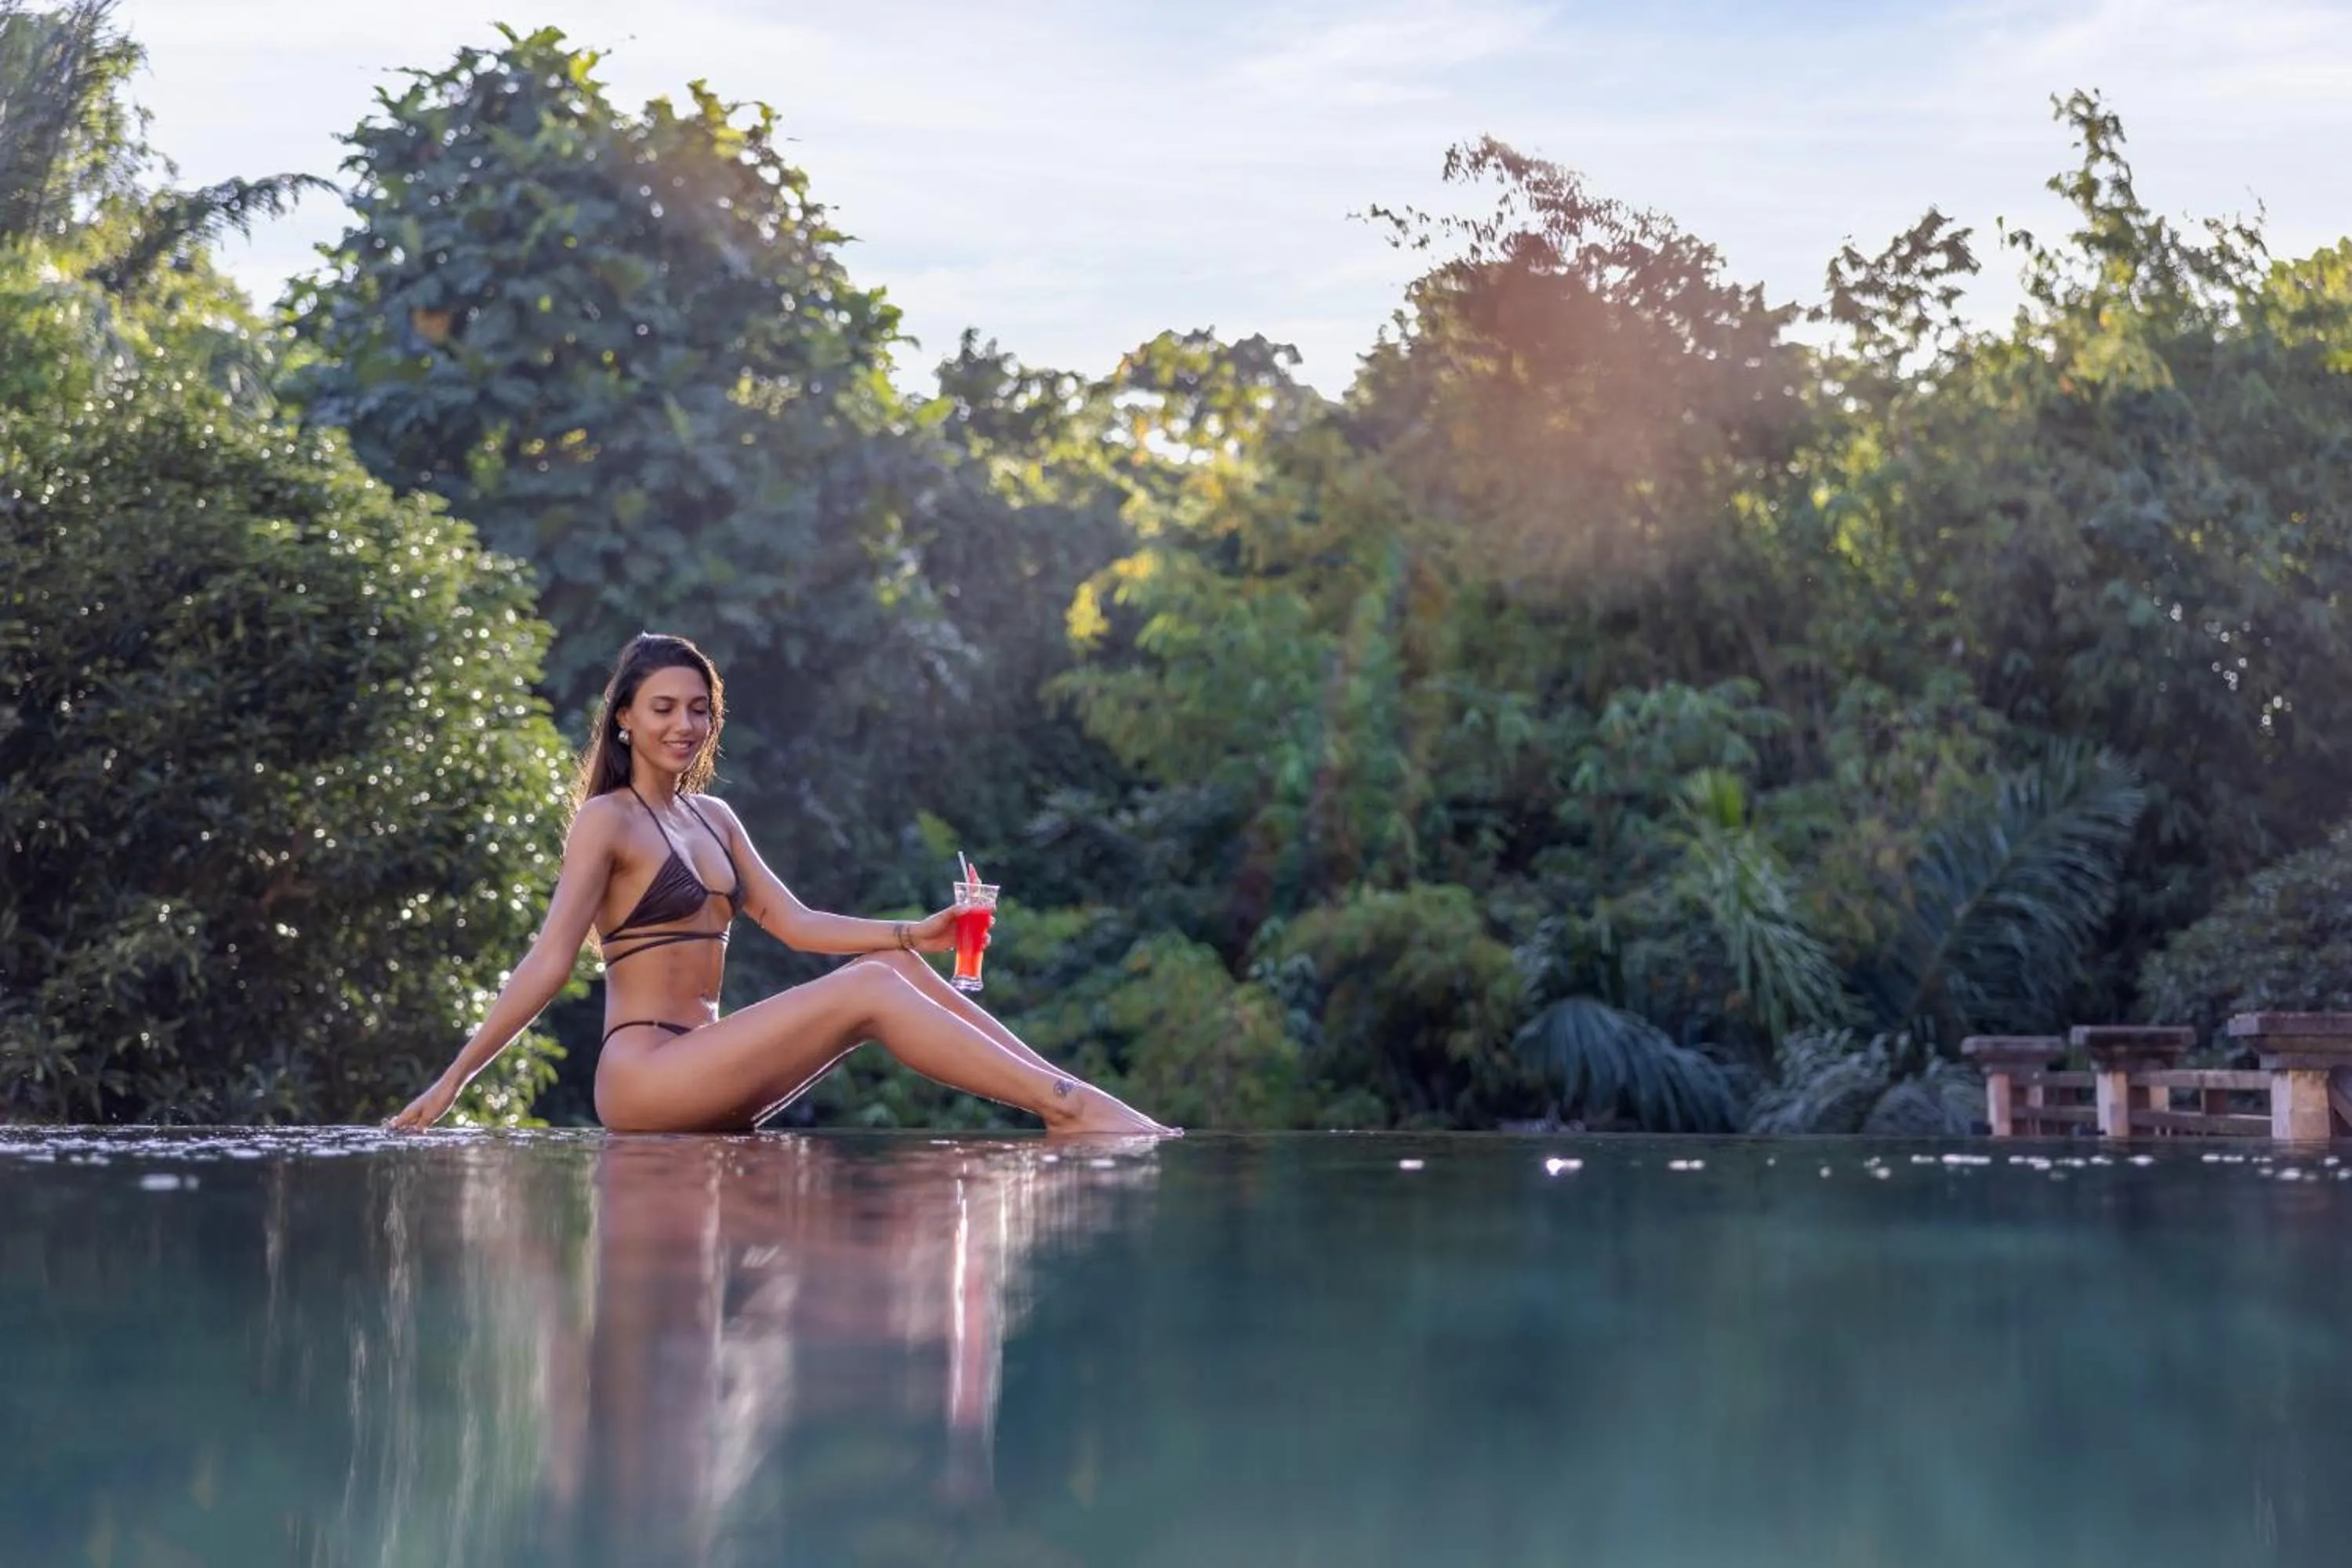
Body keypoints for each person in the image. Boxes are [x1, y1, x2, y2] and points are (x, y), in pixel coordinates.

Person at [387, 632, 1172, 1137]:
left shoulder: (716, 816)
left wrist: (915, 933)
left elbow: (792, 922)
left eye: (699, 708)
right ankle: (1066, 1104)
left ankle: (1069, 1097)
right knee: (868, 986)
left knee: (891, 969)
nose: (683, 724)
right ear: (624, 717)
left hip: (713, 1063)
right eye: (662, 707)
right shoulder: (607, 820)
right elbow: (550, 960)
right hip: (647, 1076)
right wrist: (455, 1078)